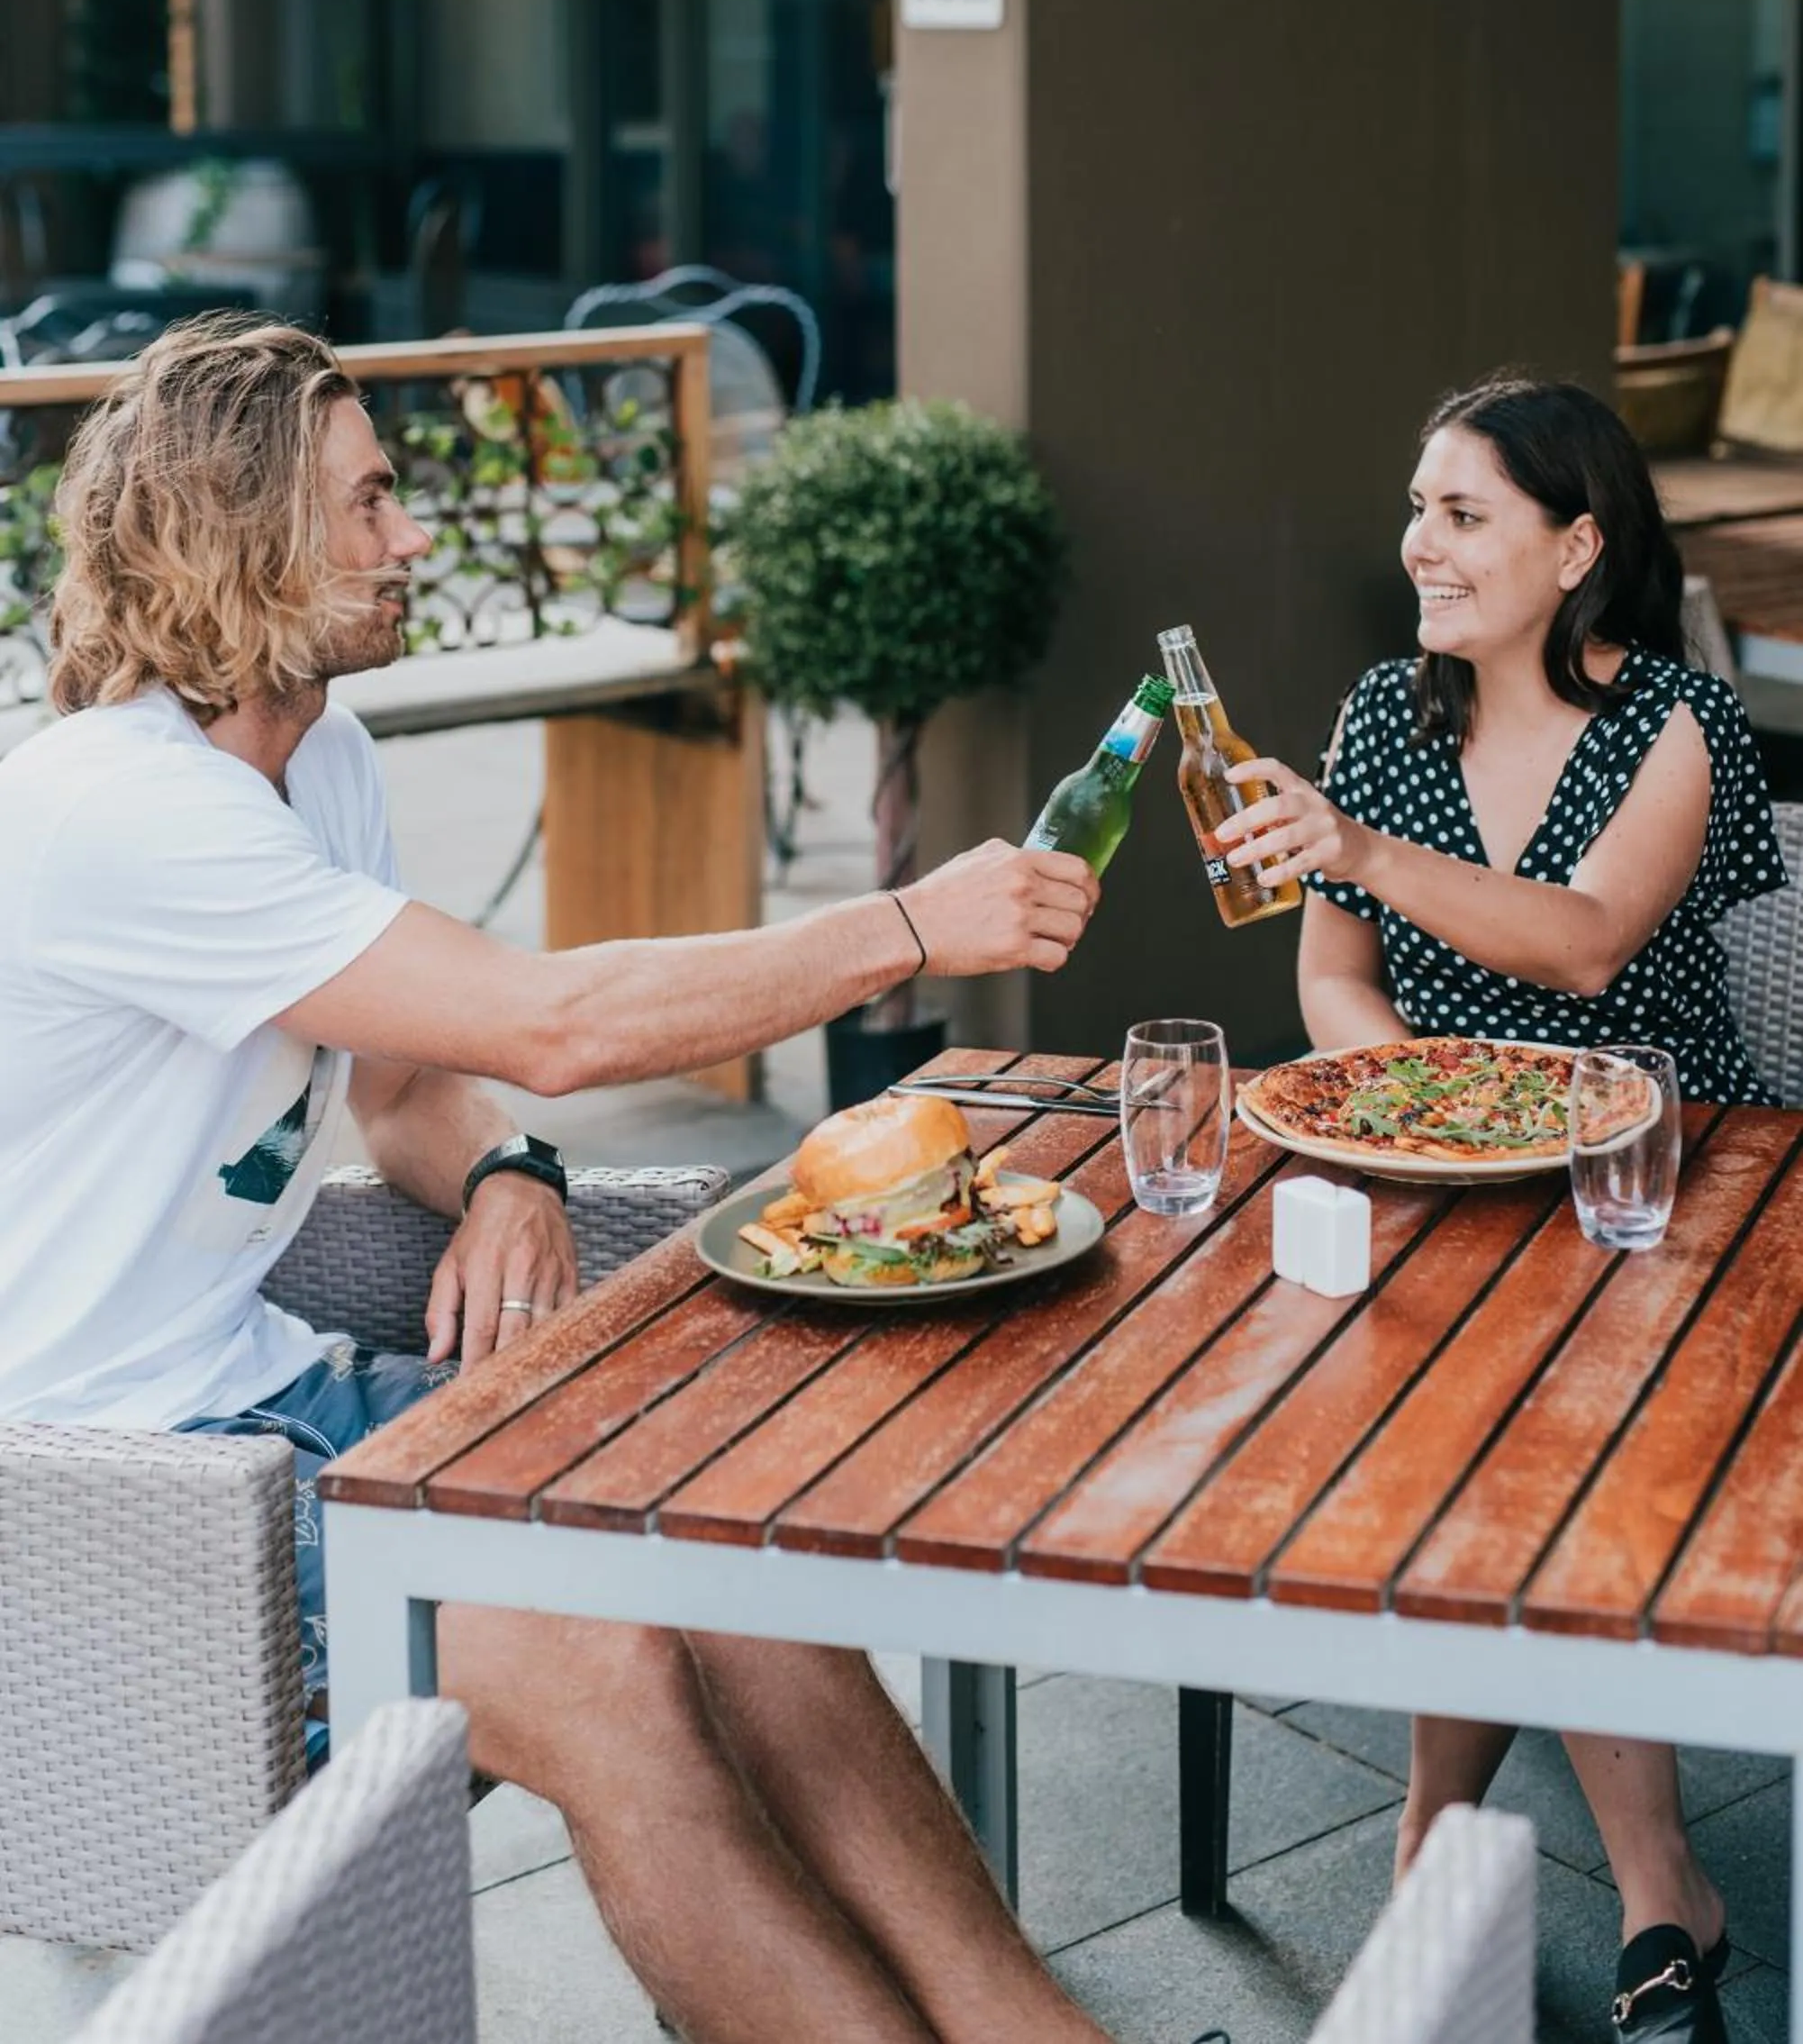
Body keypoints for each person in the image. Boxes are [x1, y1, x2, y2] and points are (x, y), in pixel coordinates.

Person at [0, 315, 1123, 2044]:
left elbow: (408, 1077)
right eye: (368, 504)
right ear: (240, 530)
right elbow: (562, 1019)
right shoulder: (115, 811)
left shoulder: (322, 760)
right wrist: (904, 924)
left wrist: (511, 1169)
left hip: (259, 1399)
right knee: (605, 1664)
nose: (412, 538)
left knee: (724, 1550)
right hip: (90, 1504)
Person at [1214, 374, 1786, 2044]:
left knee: (1544, 1432)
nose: (1419, 546)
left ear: (1577, 544)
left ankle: (1528, 1854)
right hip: (1449, 1168)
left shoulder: (1677, 720)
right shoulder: (1385, 719)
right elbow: (1331, 982)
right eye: (1417, 508)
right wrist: (1424, 1110)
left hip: (1654, 1174)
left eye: (1463, 515)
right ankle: (1631, 1875)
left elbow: (1591, 944)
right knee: (1467, 1424)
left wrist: (1369, 863)